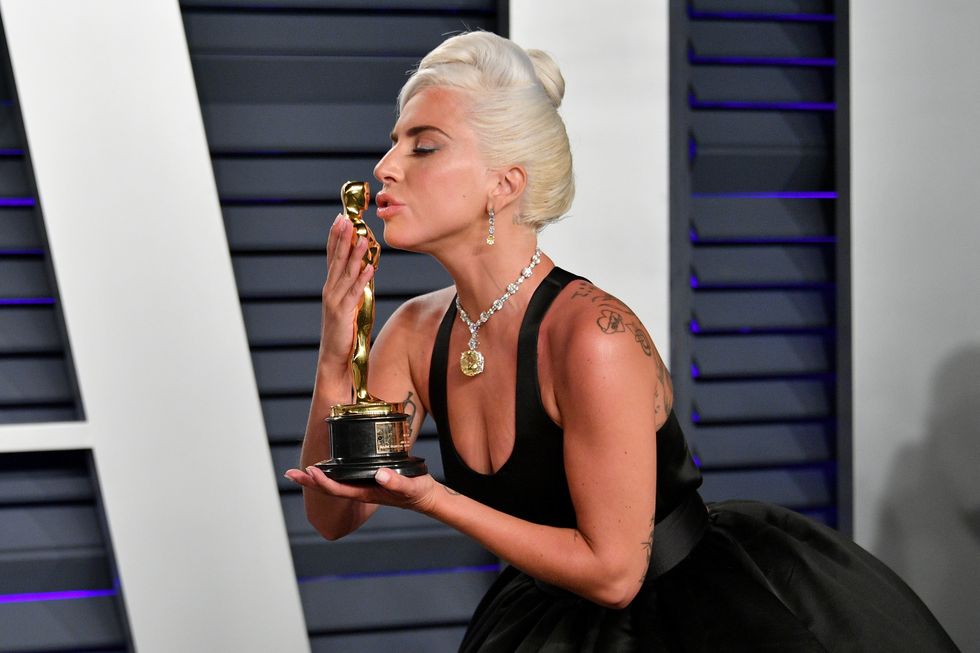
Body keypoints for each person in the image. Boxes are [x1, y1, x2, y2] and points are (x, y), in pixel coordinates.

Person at [285, 31, 957, 652]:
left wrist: (436, 499)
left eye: (423, 146)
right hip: (545, 615)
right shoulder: (413, 331)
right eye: (394, 143)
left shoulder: (591, 336)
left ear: (505, 183)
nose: (385, 167)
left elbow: (614, 575)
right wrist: (337, 345)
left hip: (692, 618)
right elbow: (333, 515)